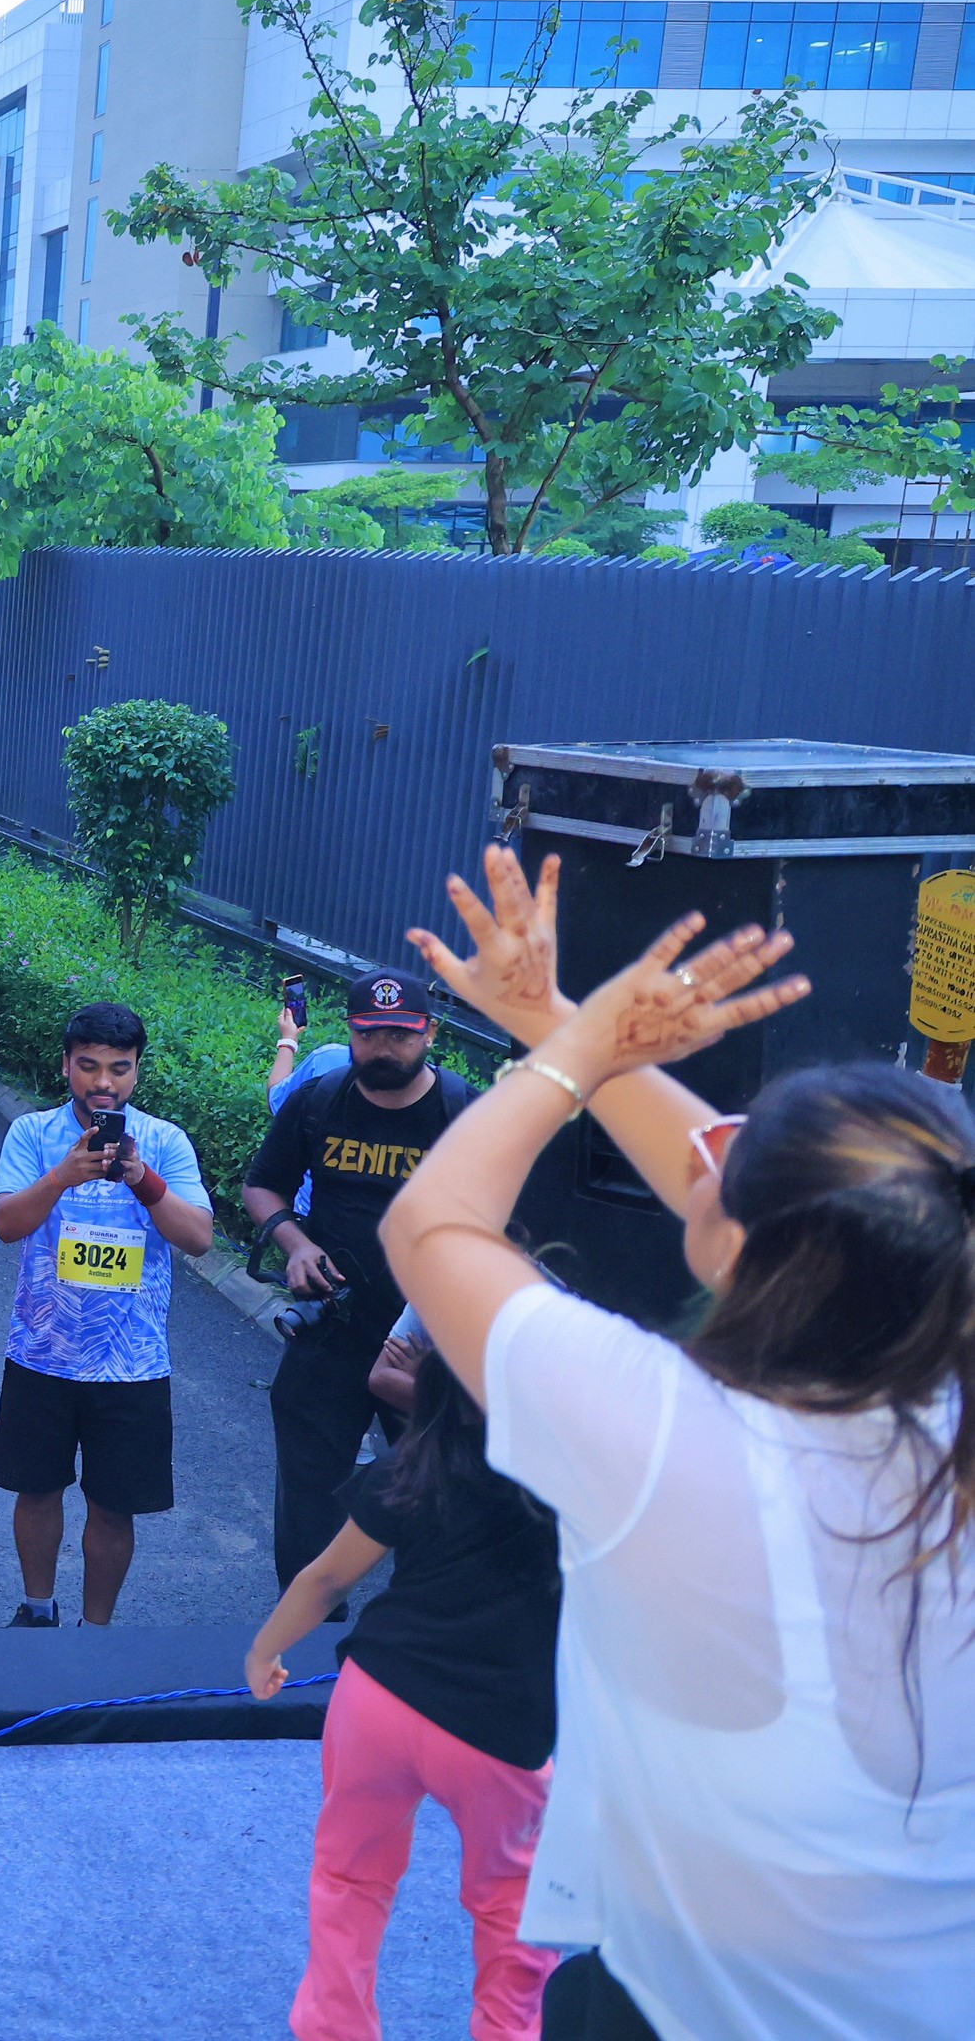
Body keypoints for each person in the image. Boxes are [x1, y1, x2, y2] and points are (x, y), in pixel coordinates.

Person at [381, 846, 972, 2038]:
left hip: (691, 2005)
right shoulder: (936, 1370)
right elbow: (781, 1206)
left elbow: (429, 1221)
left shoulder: (662, 1437)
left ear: (745, 1241)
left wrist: (578, 1049)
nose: (706, 1149)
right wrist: (556, 1023)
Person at [247, 1341, 561, 2041]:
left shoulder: (415, 1461)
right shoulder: (574, 1485)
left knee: (348, 1876)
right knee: (512, 1900)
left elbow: (327, 1577)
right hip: (498, 1724)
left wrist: (265, 1650)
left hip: (377, 1696)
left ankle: (334, 2028)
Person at [241, 970, 474, 1590]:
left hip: (427, 1343)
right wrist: (295, 1244)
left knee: (440, 1501)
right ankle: (311, 1628)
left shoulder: (465, 1113)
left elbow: (513, 1222)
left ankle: (420, 1628)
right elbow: (262, 1185)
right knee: (308, 1502)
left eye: (400, 1034)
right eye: (370, 1034)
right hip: (331, 1329)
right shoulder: (319, 1100)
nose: (384, 1048)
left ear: (429, 1033)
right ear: (350, 1032)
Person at [0, 1001, 213, 1628]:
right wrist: (61, 1176)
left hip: (132, 1363)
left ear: (137, 1071)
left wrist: (145, 1180)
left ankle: (97, 1632)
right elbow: (7, 1224)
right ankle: (37, 1610)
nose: (103, 1082)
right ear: (66, 1066)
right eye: (88, 1066)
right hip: (42, 1352)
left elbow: (198, 1239)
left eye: (119, 1068)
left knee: (114, 1507)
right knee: (37, 1490)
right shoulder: (32, 1134)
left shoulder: (165, 1142)